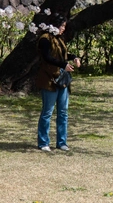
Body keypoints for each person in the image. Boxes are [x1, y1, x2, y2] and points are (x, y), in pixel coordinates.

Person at [35, 14, 81, 152]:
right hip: (49, 79)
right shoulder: (45, 39)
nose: (63, 29)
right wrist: (63, 65)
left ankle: (62, 142)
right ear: (54, 25)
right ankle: (43, 142)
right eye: (61, 26)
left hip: (62, 80)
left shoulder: (59, 39)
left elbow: (63, 55)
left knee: (63, 112)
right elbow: (47, 57)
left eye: (64, 27)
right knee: (47, 112)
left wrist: (74, 58)